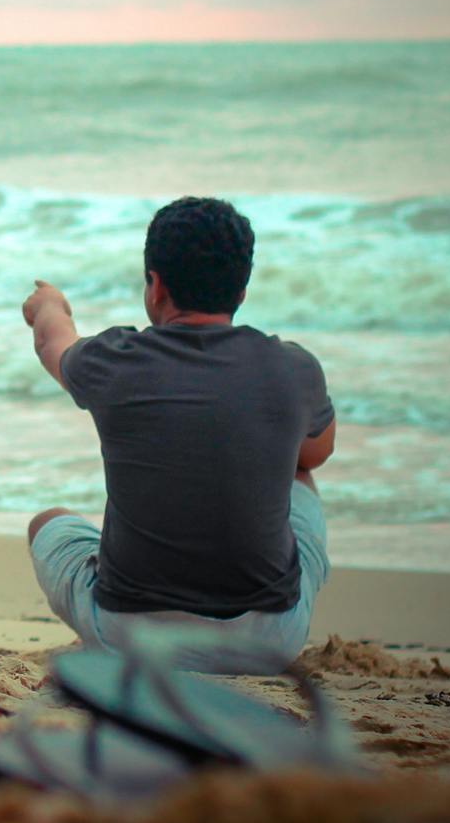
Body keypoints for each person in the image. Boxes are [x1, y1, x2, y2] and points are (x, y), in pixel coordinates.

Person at [21, 196, 334, 671]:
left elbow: (52, 341)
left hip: (131, 637)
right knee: (299, 475)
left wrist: (50, 305)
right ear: (242, 289)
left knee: (48, 523)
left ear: (156, 285)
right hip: (268, 642)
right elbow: (316, 452)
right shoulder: (293, 368)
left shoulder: (115, 361)